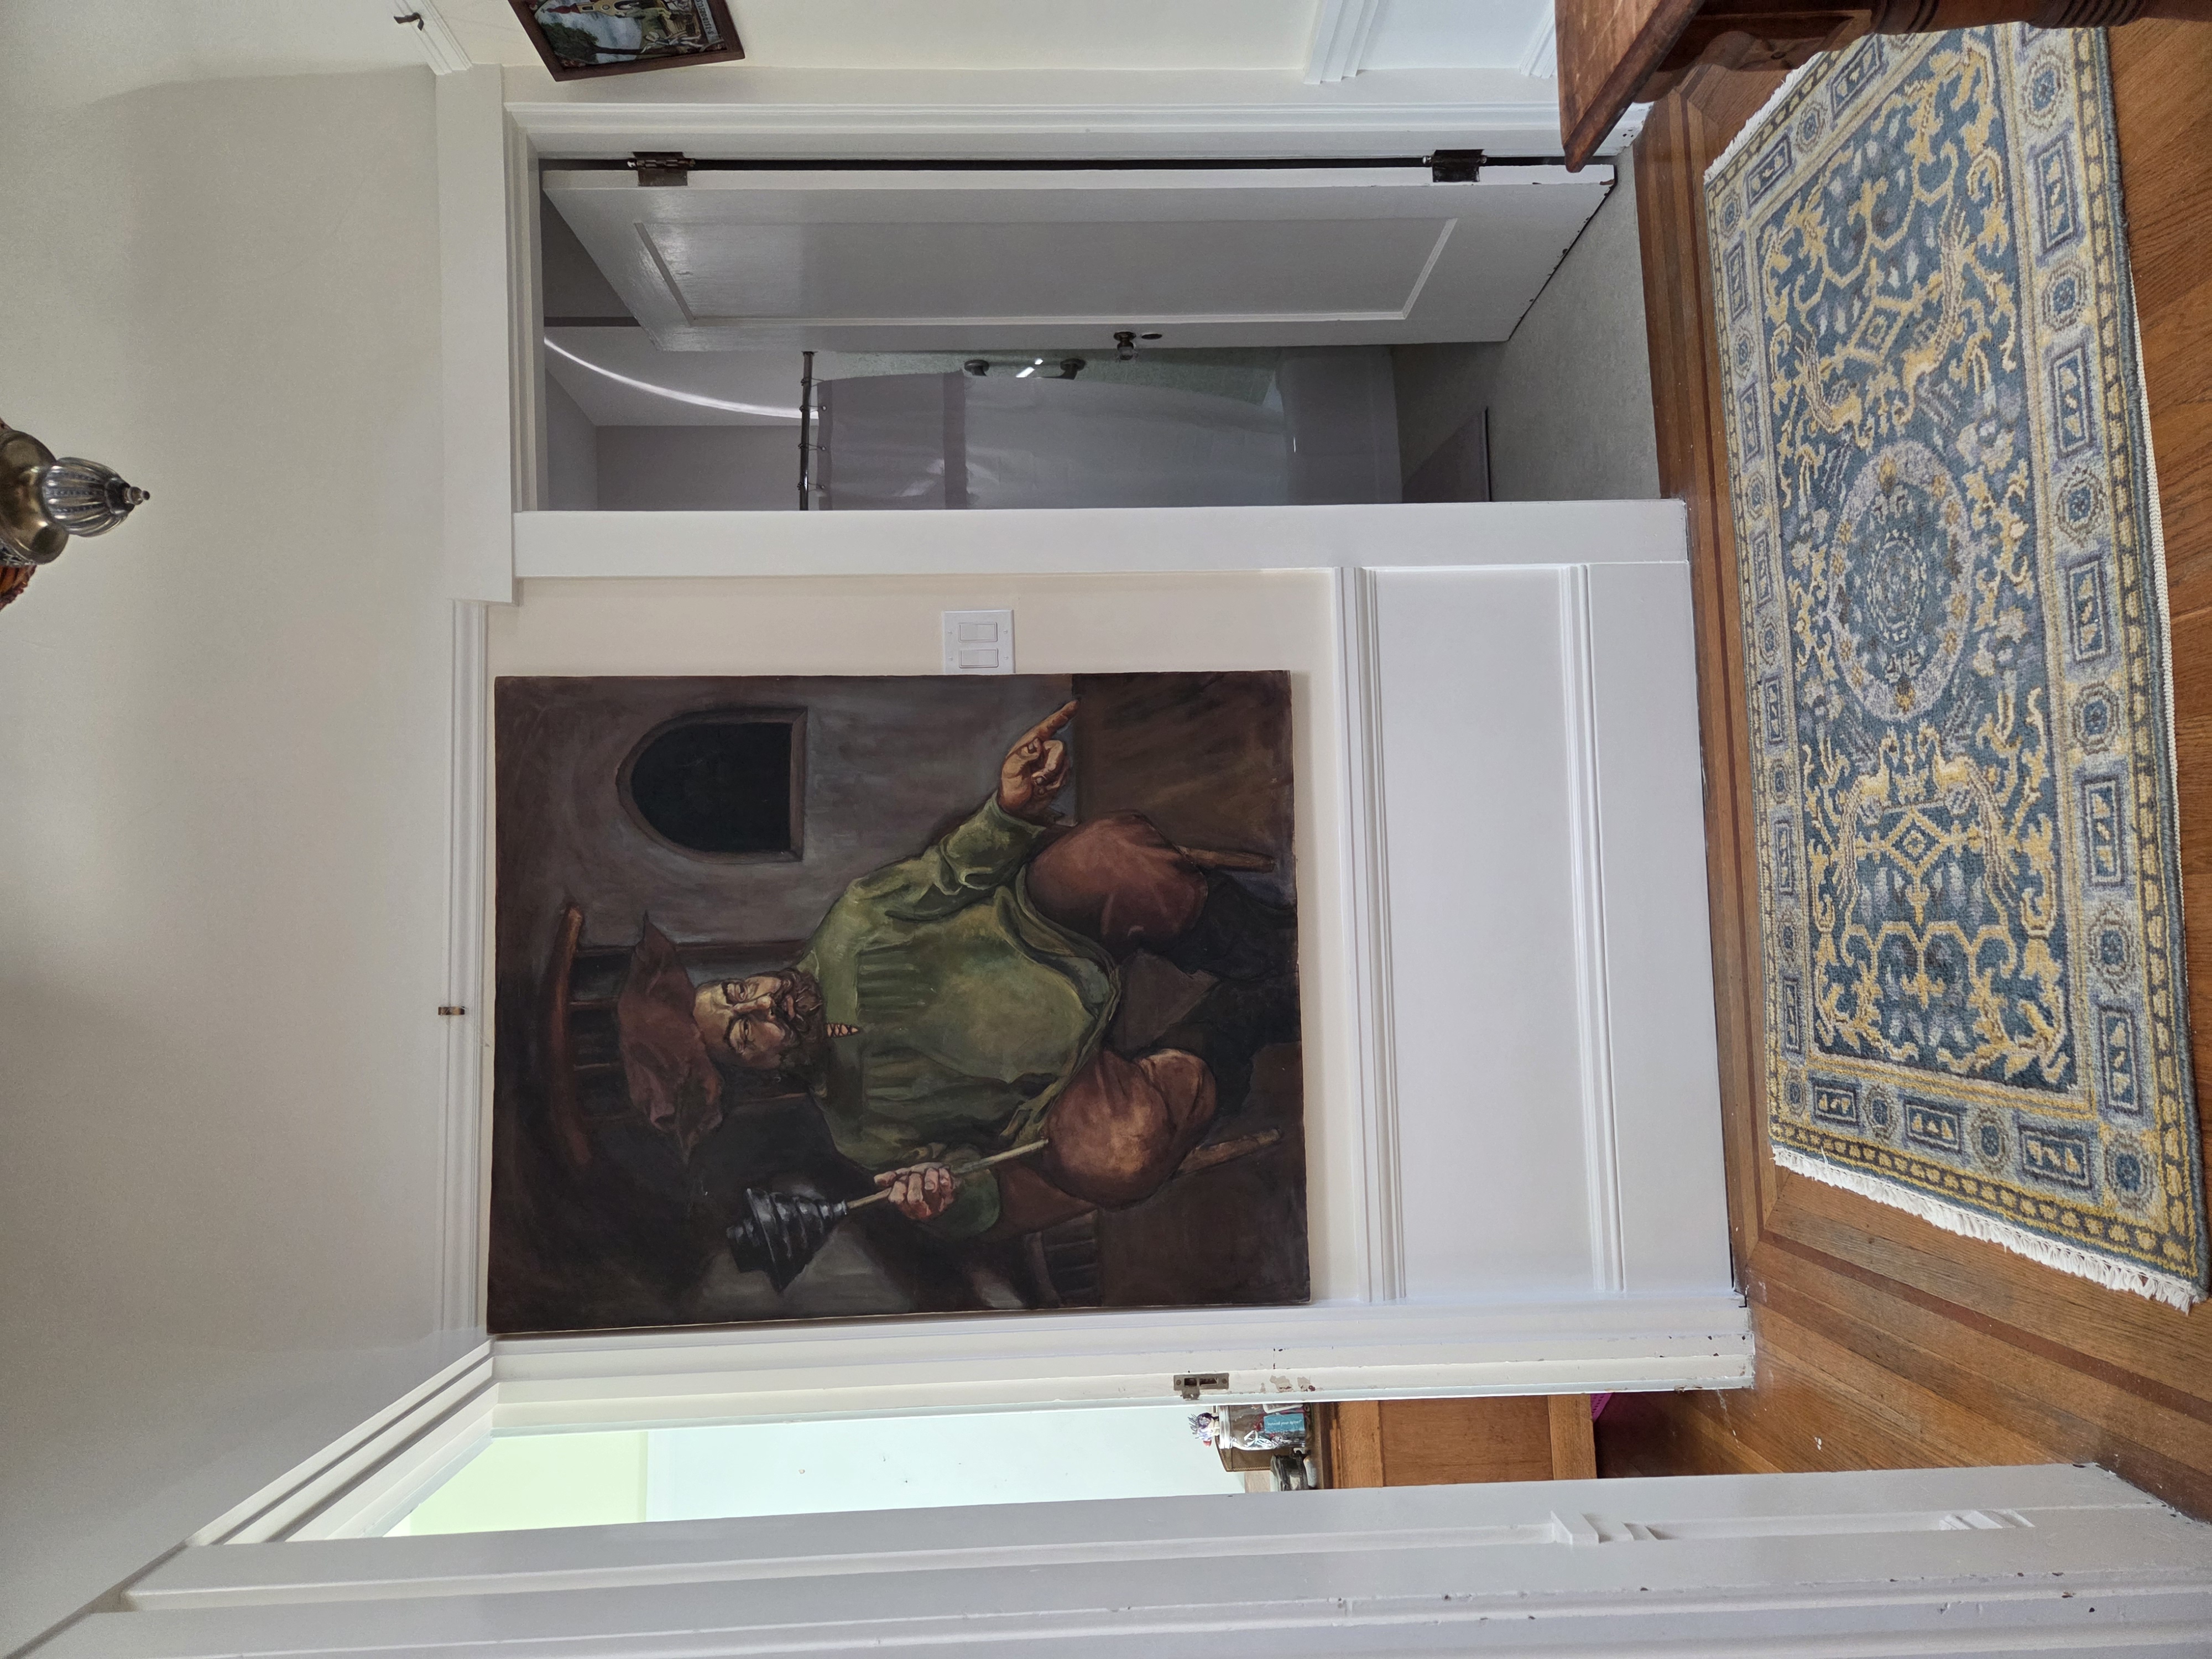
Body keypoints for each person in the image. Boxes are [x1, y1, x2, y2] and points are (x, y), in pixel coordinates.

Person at [617, 700, 1297, 1251]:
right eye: (743, 1034)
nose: (764, 1005)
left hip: (1047, 930)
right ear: (757, 1071)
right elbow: (981, 1189)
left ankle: (1271, 955)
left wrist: (1007, 808)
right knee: (1120, 1152)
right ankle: (1236, 1024)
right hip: (1062, 1084)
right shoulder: (859, 1128)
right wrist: (942, 1194)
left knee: (1116, 860)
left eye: (738, 992)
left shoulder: (855, 922)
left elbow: (953, 872)